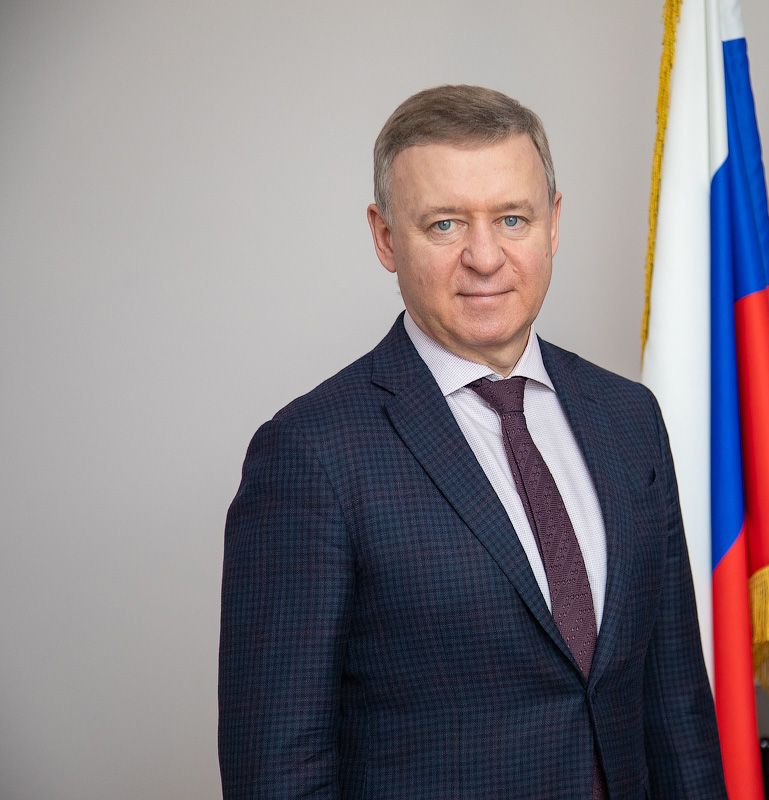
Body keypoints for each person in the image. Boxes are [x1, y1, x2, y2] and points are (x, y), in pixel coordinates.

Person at [218, 84, 725, 799]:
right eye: (446, 224)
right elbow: (277, 771)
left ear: (553, 223)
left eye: (512, 218)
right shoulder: (310, 455)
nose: (485, 257)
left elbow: (677, 712)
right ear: (385, 237)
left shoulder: (629, 418)